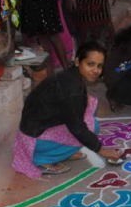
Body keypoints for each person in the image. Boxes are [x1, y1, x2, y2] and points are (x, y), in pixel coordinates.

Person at [12, 41, 124, 178]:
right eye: (90, 64)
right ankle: (42, 159)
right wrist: (101, 150)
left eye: (99, 66)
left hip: (35, 129)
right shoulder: (71, 89)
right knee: (90, 128)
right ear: (77, 61)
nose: (96, 70)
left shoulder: (70, 76)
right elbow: (77, 128)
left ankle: (61, 152)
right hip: (34, 139)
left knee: (91, 122)